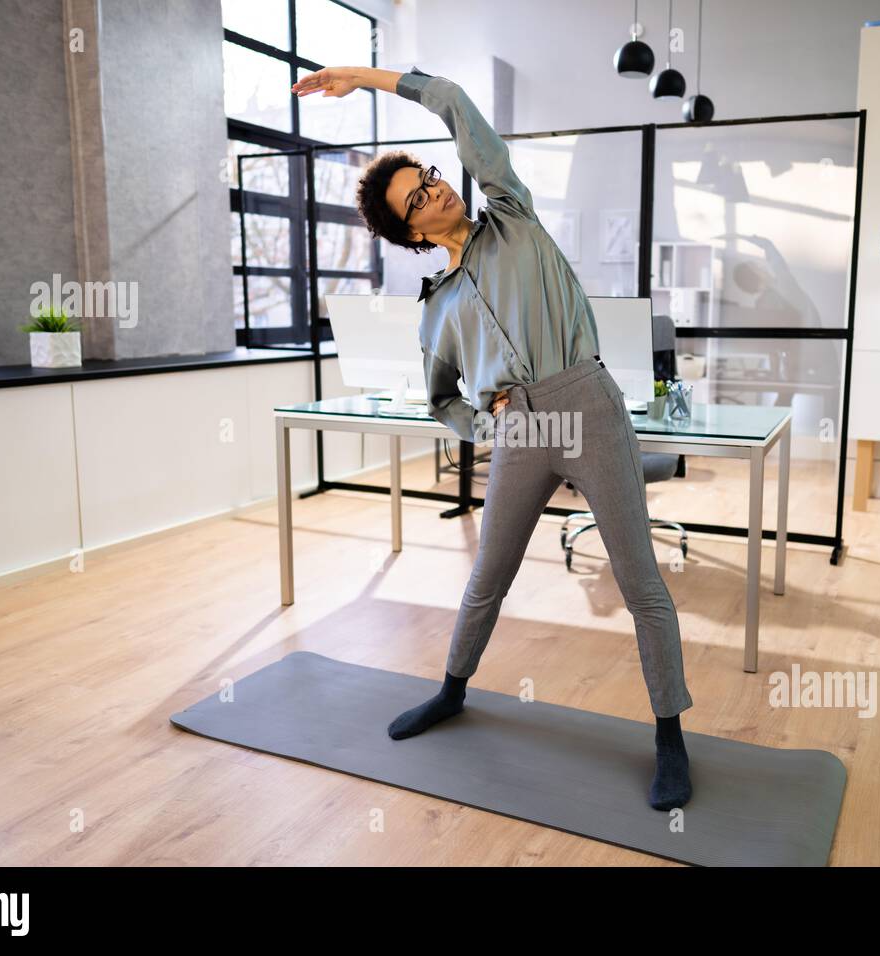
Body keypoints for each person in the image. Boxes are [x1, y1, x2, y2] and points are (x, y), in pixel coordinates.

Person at [292, 64, 694, 810]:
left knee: (640, 580)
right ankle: (451, 690)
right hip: (523, 429)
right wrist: (490, 422)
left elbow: (452, 101)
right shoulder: (434, 311)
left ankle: (670, 734)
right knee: (488, 576)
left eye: (431, 177)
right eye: (418, 196)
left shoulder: (510, 212)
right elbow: (442, 398)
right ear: (410, 231)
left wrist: (363, 78)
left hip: (588, 404)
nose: (436, 190)